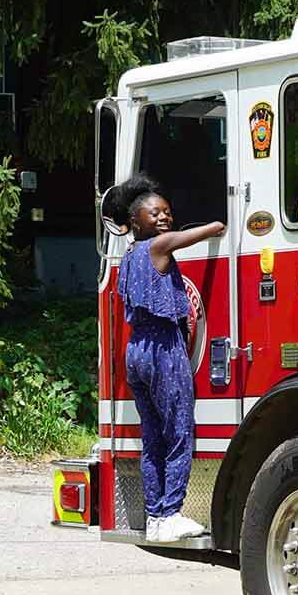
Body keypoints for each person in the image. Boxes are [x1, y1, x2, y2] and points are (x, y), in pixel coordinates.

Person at [106, 174, 225, 543]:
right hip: (163, 347)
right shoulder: (159, 247)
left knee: (152, 437)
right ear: (136, 222)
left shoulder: (127, 256)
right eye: (154, 213)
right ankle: (171, 511)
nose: (164, 218)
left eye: (167, 213)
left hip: (136, 349)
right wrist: (222, 222)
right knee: (178, 432)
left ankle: (155, 516)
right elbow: (212, 228)